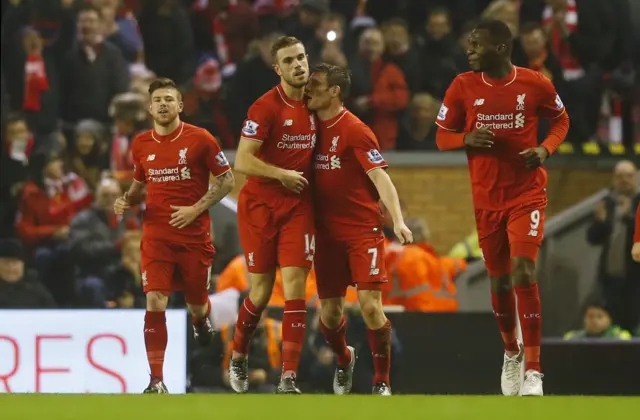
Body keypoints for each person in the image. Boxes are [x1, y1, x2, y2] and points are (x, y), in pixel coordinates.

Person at [435, 20, 570, 397]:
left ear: (500, 49)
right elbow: (440, 136)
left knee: (523, 270)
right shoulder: (462, 86)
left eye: (476, 45)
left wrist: (545, 150)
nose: (469, 51)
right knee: (499, 280)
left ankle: (534, 370)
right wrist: (465, 137)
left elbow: (561, 120)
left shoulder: (535, 84)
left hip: (527, 194)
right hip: (486, 200)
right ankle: (511, 353)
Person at [113, 78, 235, 393]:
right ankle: (156, 380)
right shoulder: (141, 144)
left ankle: (199, 320)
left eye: (170, 99)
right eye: (158, 100)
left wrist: (195, 209)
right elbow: (140, 186)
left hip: (194, 236)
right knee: (155, 300)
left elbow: (227, 181)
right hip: (156, 236)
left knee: (196, 303)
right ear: (150, 107)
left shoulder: (201, 139)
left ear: (180, 105)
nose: (164, 104)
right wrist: (127, 199)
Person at [305, 63, 412, 396]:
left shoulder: (356, 130)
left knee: (369, 306)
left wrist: (398, 220)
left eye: (315, 84)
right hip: (325, 236)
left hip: (361, 230)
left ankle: (381, 380)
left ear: (334, 91)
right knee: (331, 313)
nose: (308, 89)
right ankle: (343, 358)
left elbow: (381, 177)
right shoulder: (304, 129)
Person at [230, 36, 316, 394]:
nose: (298, 65)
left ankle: (288, 376)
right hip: (261, 206)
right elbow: (242, 160)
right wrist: (281, 174)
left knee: (296, 288)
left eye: (301, 57)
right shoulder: (264, 107)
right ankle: (238, 353)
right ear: (277, 69)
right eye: (289, 61)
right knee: (262, 292)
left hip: (299, 206)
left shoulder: (318, 103)